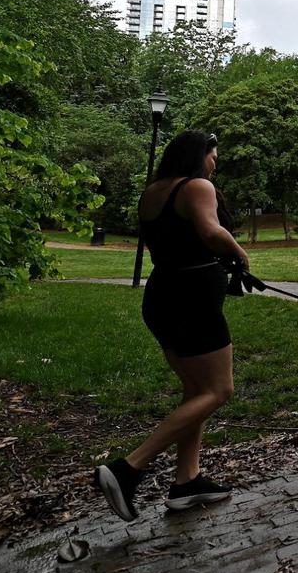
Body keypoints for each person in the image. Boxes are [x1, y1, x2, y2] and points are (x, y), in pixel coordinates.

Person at [94, 131, 251, 522]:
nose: (215, 164)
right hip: (192, 301)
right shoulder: (197, 186)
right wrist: (240, 255)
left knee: (196, 391)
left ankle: (187, 482)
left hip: (163, 295)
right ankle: (128, 468)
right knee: (219, 390)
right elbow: (211, 231)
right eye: (214, 156)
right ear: (201, 156)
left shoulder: (153, 191)